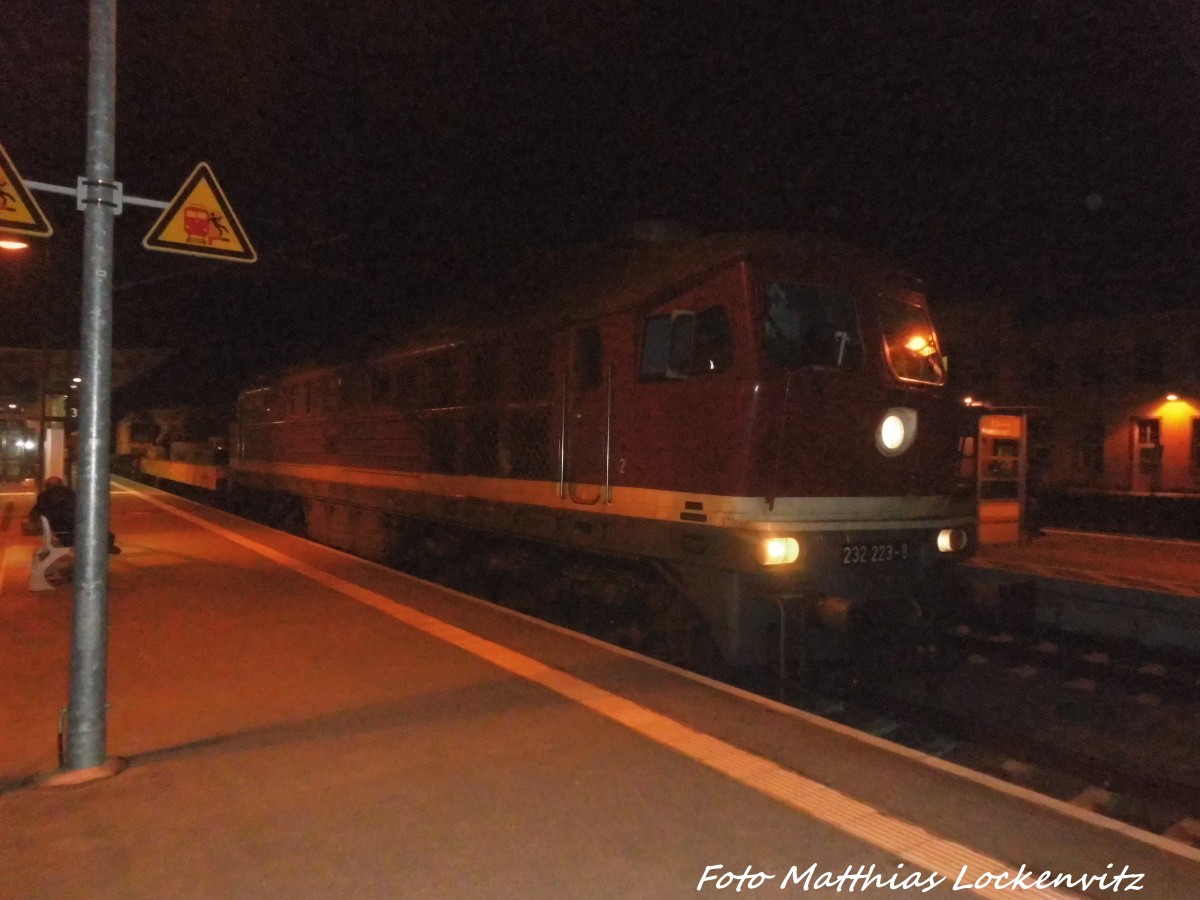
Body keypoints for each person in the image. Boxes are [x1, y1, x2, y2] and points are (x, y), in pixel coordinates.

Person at [28, 476, 121, 554]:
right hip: (71, 535)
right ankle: (99, 554)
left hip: (62, 533)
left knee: (102, 535)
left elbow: (33, 516)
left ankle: (101, 549)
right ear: (61, 484)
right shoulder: (70, 494)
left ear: (46, 486)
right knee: (107, 535)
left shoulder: (43, 497)